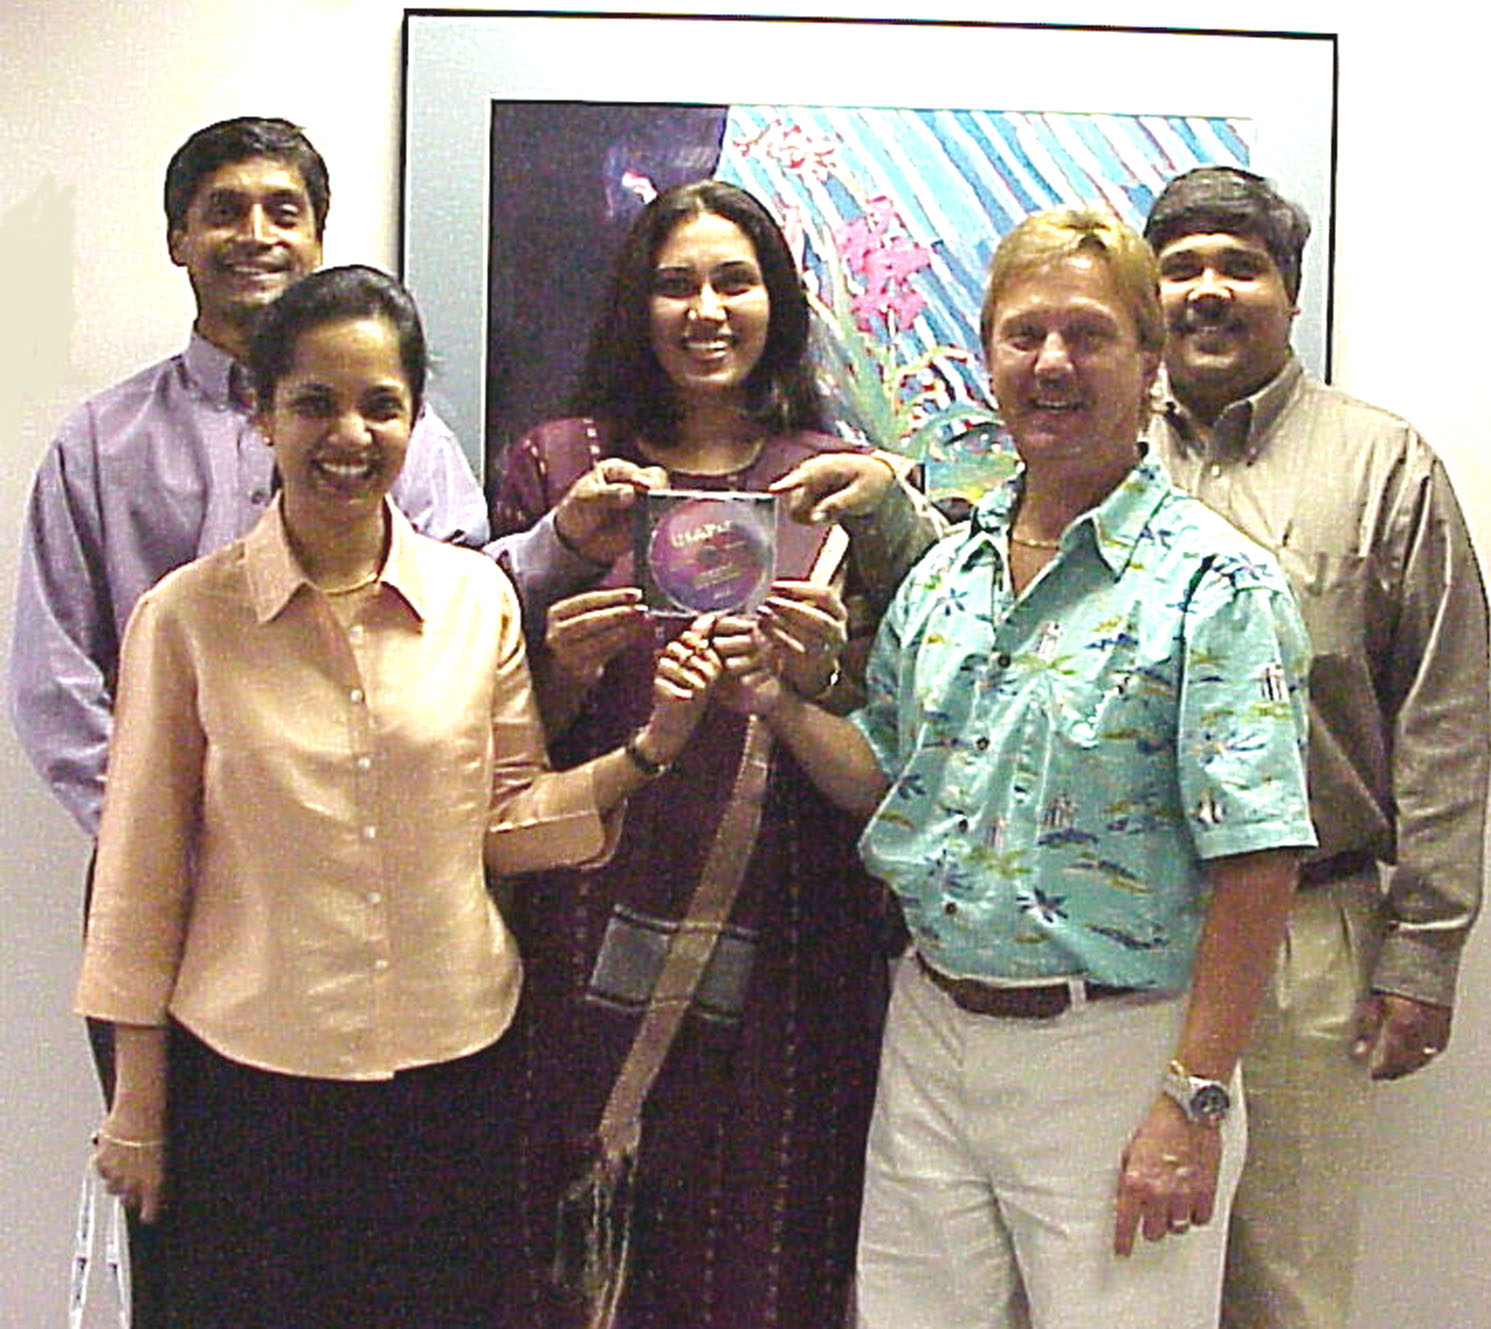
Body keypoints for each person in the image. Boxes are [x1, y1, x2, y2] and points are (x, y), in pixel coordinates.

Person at [75, 265, 720, 1329]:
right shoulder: (186, 620)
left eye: (381, 404)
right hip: (249, 1090)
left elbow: (508, 821)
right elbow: (140, 878)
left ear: (415, 419)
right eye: (314, 403)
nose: (349, 433)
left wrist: (649, 750)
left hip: (453, 1079)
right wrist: (137, 1109)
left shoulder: (475, 602)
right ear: (262, 414)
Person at [716, 206, 1316, 1329]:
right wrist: (785, 704)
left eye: (1088, 336)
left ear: (1148, 364)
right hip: (933, 1032)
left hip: (1118, 1048)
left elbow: (1260, 864)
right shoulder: (947, 574)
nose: (1052, 364)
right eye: (1023, 335)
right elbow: (884, 778)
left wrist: (1191, 1103)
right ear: (988, 354)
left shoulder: (1213, 590)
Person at [9, 117, 489, 1323]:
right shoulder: (98, 447)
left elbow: (466, 616)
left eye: (284, 208)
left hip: (366, 911)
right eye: (223, 208)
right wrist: (174, 824)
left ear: (320, 235)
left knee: (384, 1263)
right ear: (178, 237)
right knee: (207, 1257)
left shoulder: (404, 435)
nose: (254, 232)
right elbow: (52, 673)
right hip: (167, 910)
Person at [487, 179, 908, 1328]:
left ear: (778, 298)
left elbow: (906, 727)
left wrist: (816, 676)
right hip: (588, 909)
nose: (706, 309)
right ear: (636, 303)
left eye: (736, 281)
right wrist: (567, 664)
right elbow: (479, 720)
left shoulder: (840, 482)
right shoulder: (561, 470)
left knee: (766, 1237)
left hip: (788, 925)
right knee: (579, 1232)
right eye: (676, 283)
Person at [1142, 166, 1490, 1329]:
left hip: (1307, 935)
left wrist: (1426, 949)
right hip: (1119, 928)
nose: (1207, 290)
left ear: (1289, 291)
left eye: (1238, 265)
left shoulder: (1383, 466)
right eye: (1180, 265)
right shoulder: (1094, 458)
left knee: (1282, 1286)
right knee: (1114, 1272)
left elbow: (1445, 715)